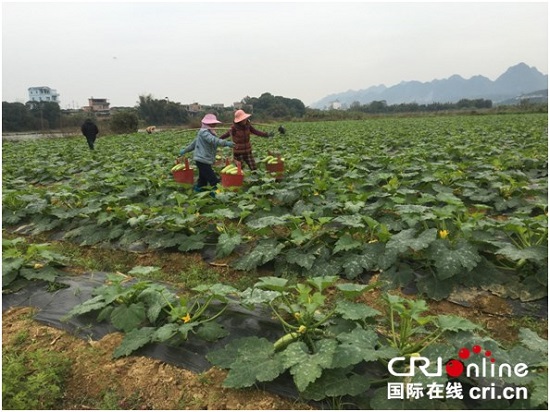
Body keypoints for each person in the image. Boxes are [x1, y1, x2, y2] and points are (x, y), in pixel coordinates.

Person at [179, 114, 234, 192]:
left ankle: (198, 189)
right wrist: (226, 143)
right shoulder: (204, 132)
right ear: (208, 124)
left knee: (203, 179)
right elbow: (213, 140)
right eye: (213, 123)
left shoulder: (209, 132)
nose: (215, 125)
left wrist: (185, 150)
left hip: (205, 159)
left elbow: (194, 144)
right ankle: (217, 192)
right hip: (202, 159)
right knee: (212, 179)